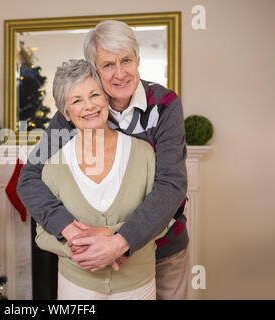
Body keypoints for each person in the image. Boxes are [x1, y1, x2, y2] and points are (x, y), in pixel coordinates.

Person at [17, 20, 189, 300]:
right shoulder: (77, 111)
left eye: (126, 60)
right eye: (108, 65)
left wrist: (120, 242)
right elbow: (29, 178)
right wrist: (71, 230)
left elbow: (170, 185)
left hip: (165, 248)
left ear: (138, 60)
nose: (120, 73)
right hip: (89, 257)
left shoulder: (165, 104)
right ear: (94, 70)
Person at [35, 58, 160, 299]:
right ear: (66, 113)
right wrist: (87, 253)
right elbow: (42, 234)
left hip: (137, 285)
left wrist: (112, 241)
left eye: (94, 95)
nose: (89, 106)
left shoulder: (143, 153)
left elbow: (162, 219)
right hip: (76, 285)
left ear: (106, 99)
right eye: (77, 100)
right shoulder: (53, 164)